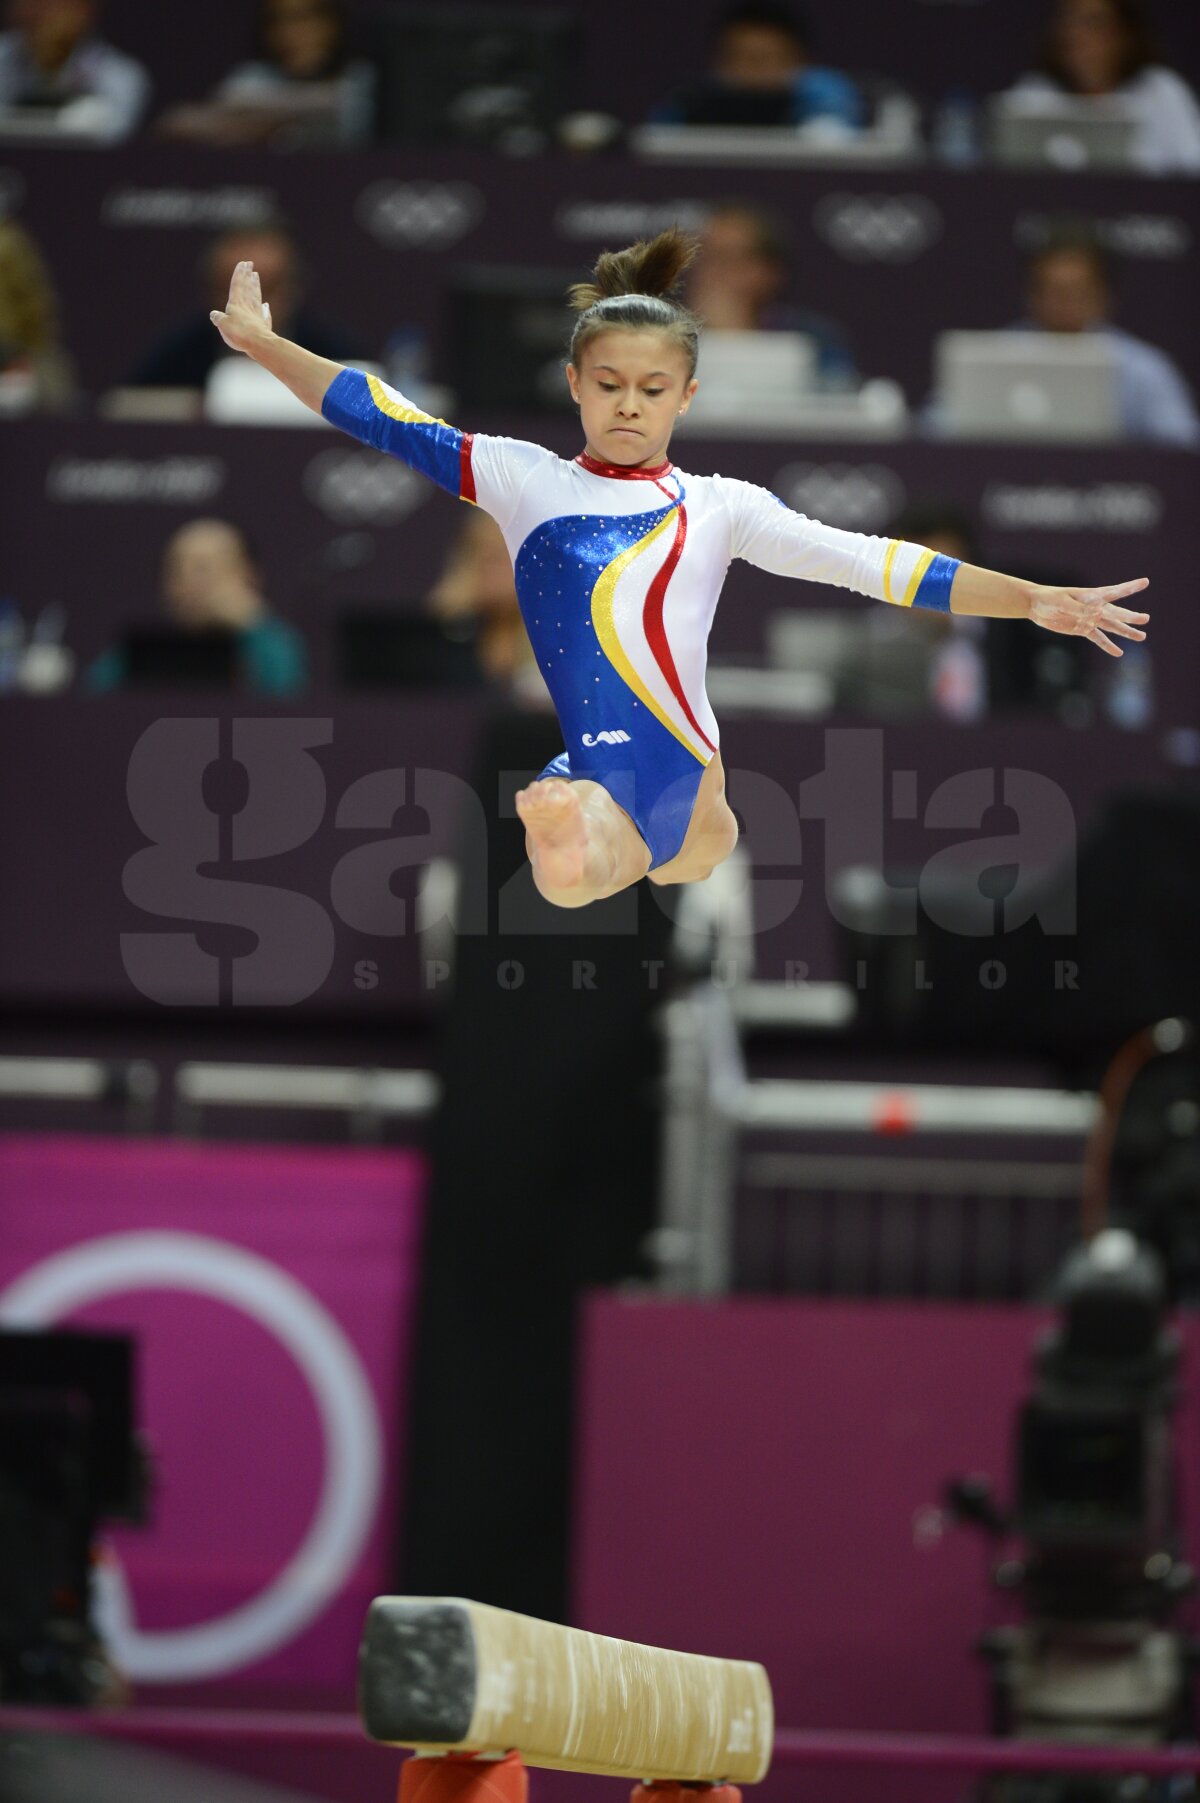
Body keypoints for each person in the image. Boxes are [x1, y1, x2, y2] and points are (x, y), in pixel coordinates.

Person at [209, 230, 1150, 909]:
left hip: (686, 771)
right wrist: (264, 344)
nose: (628, 407)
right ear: (573, 383)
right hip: (615, 770)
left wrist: (1029, 600)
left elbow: (876, 563)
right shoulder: (521, 478)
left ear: (687, 396)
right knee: (573, 875)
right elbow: (381, 413)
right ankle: (564, 816)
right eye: (608, 385)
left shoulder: (720, 505)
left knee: (703, 846)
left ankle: (580, 814)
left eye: (652, 390)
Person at [123, 220, 365, 392]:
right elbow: (133, 409)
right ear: (210, 289)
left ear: (294, 288)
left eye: (267, 288)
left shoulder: (335, 351)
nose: (250, 304)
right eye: (234, 289)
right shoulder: (179, 353)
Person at [85, 518, 308, 695]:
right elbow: (91, 700)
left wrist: (254, 623)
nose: (187, 581)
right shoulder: (142, 653)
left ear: (248, 576)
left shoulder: (275, 644)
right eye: (176, 568)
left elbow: (287, 700)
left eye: (203, 567)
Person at [1020, 231, 1200, 446]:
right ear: (1032, 295)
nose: (1064, 303)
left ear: (1102, 296)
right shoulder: (1001, 354)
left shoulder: (1143, 368)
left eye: (1076, 292)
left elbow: (1183, 446)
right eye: (1054, 291)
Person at [1003, 0, 1200, 175]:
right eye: (1068, 22)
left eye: (1093, 22)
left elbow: (1192, 169)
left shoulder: (1160, 91)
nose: (1076, 35)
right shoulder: (1032, 96)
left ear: (1124, 35)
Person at [155, 0, 374, 148]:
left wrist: (265, 117)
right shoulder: (251, 77)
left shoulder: (363, 78)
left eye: (304, 18)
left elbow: (345, 108)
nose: (290, 33)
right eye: (277, 22)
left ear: (333, 24)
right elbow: (177, 123)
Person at [687, 203, 857, 388]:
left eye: (727, 257)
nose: (714, 271)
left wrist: (734, 337)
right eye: (703, 256)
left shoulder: (814, 338)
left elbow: (837, 403)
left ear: (769, 271)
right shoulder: (663, 333)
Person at [648, 2, 863, 132]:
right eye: (744, 57)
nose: (755, 69)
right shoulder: (690, 101)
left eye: (769, 57)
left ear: (799, 61)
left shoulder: (825, 95)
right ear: (720, 61)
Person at [428, 509, 549, 706]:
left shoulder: (561, 640)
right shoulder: (447, 634)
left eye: (501, 557)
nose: (489, 570)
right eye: (480, 556)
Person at [0, 0, 150, 141]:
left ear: (84, 10)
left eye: (46, 4)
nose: (30, 11)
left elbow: (109, 138)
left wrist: (52, 66)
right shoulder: (3, 54)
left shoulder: (121, 76)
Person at [0, 216, 76, 413]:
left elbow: (34, 316)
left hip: (19, 359)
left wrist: (17, 358)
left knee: (28, 390)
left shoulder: (6, 246)